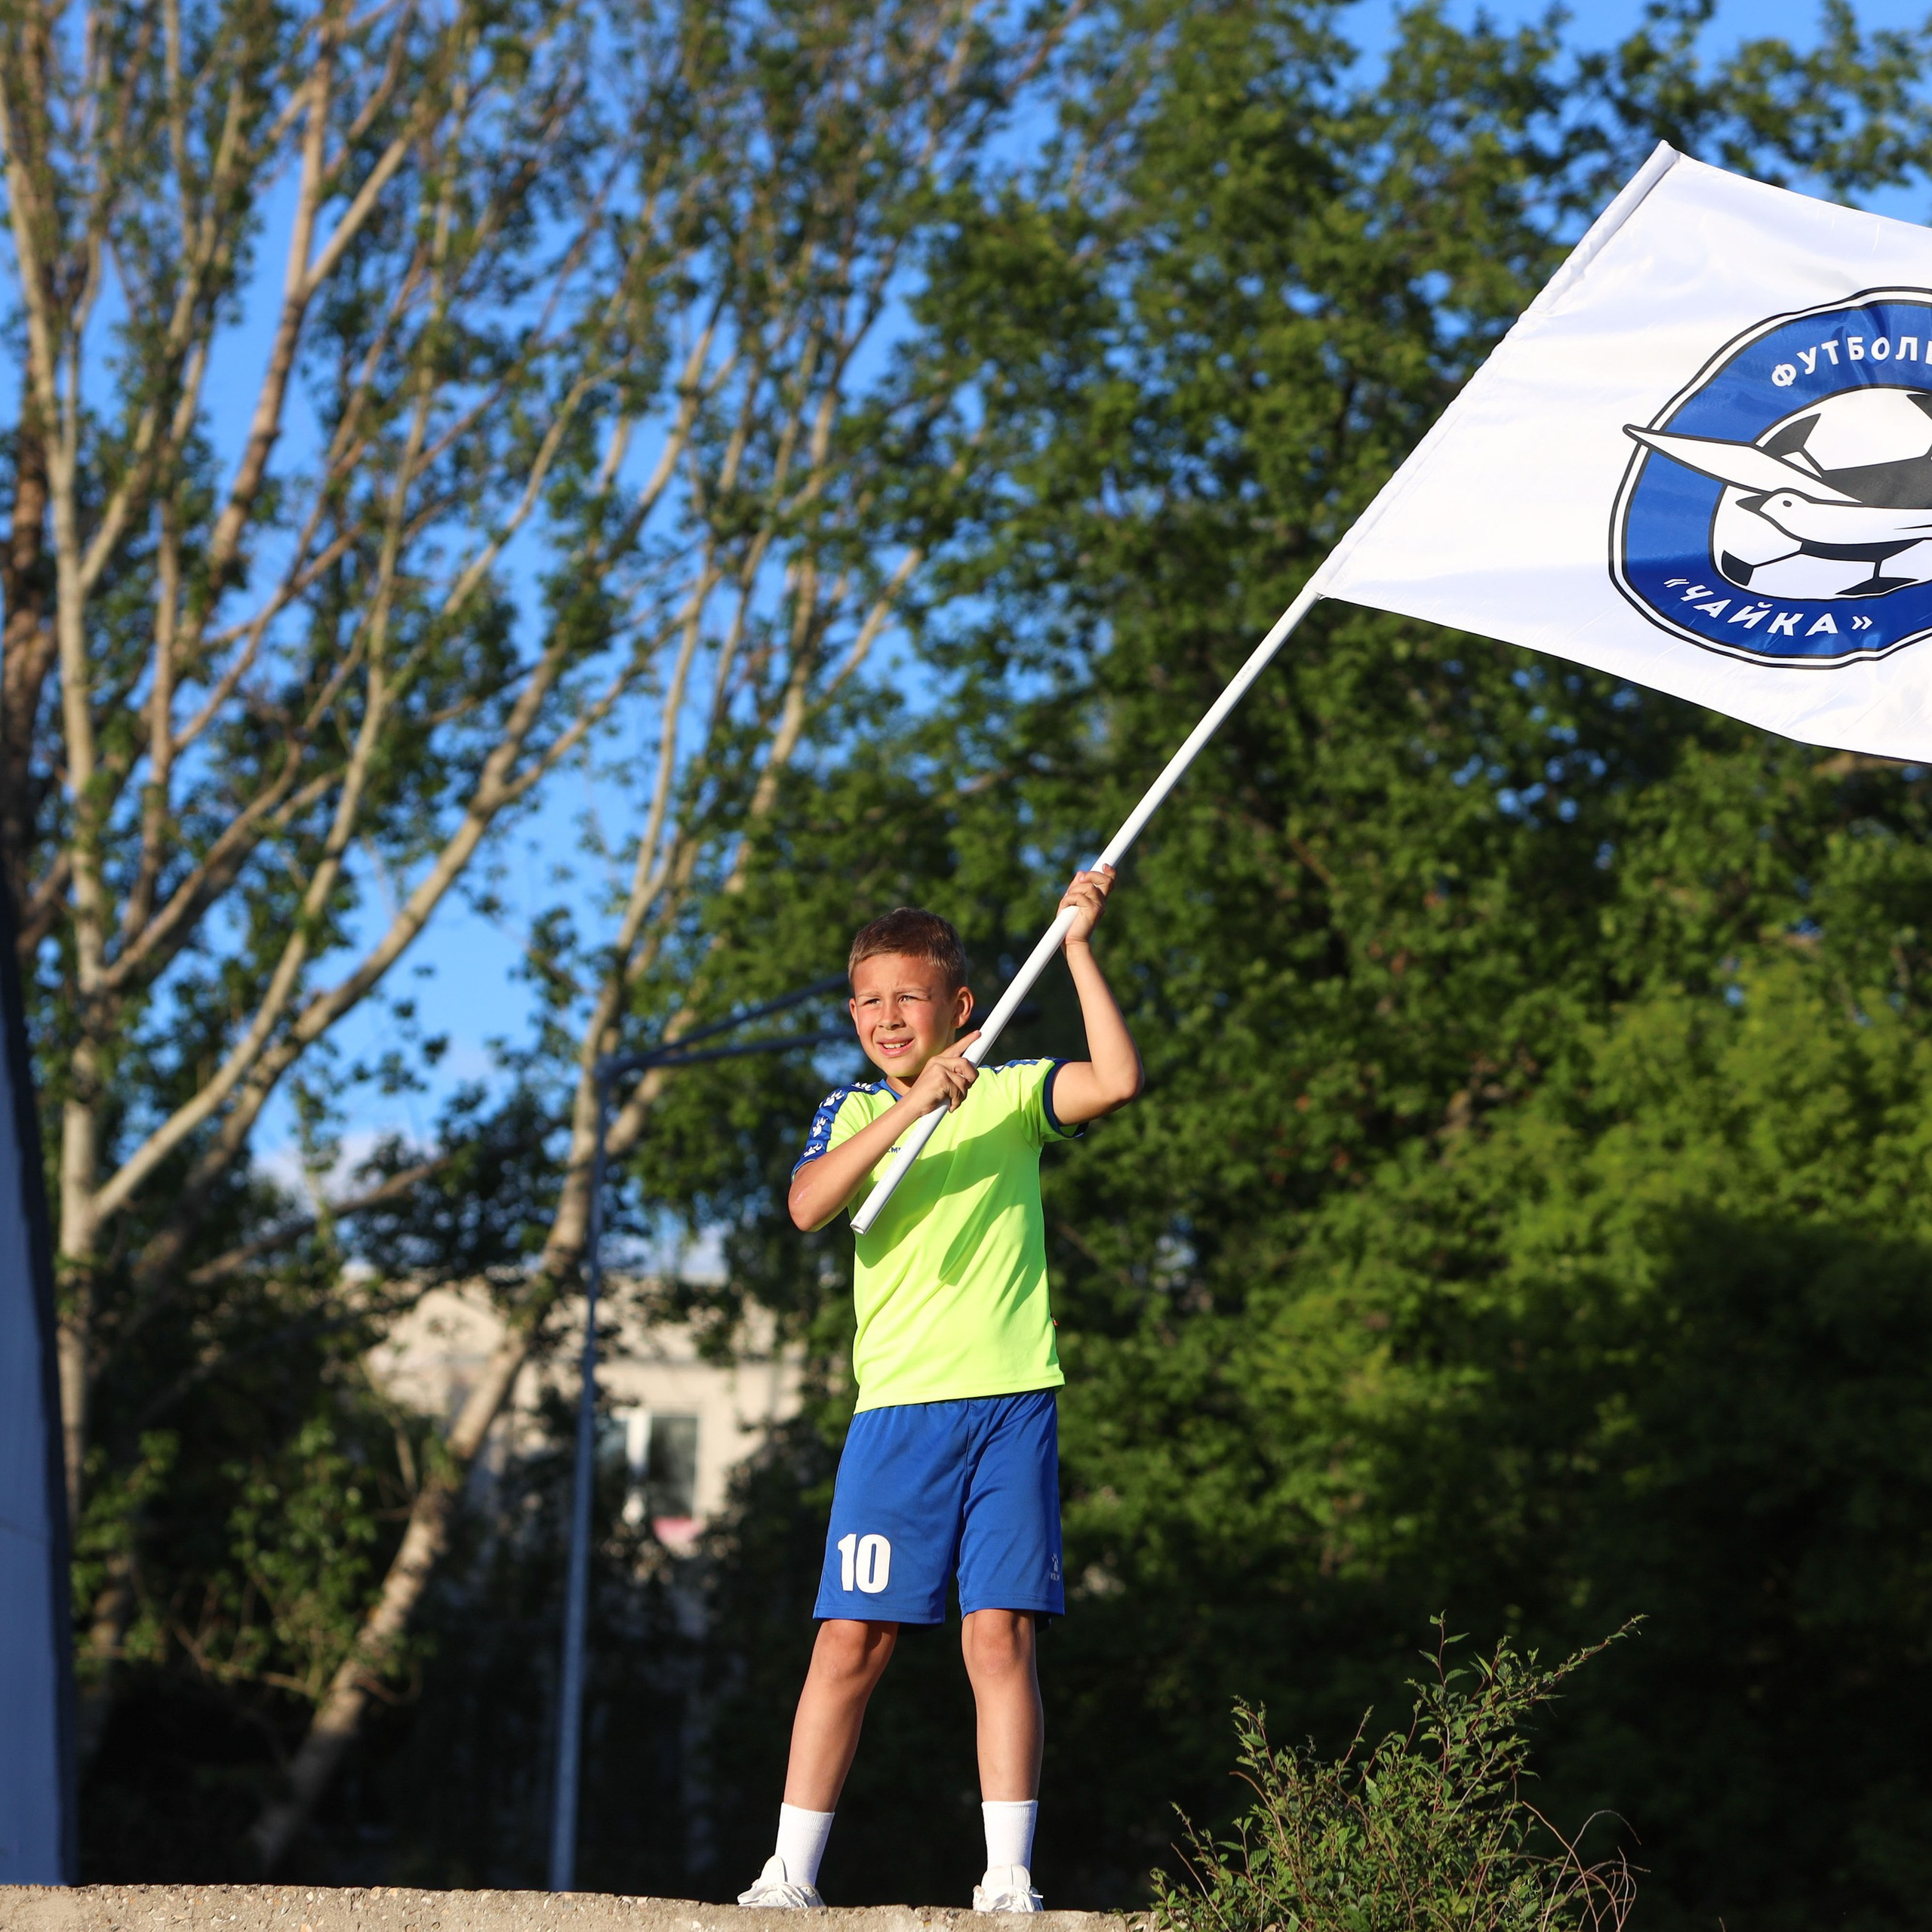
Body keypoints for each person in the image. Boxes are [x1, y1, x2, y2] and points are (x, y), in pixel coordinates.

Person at [737, 868, 1143, 1913]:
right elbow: (809, 1206)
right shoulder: (853, 1110)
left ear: (960, 1007)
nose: (884, 1017)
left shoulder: (1010, 1096)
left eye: (907, 998)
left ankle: (1008, 1879)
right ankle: (789, 1875)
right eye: (867, 1000)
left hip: (1011, 1403)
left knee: (997, 1634)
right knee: (849, 1642)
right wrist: (910, 1107)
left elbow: (1116, 1081)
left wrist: (1080, 945)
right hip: (897, 1419)